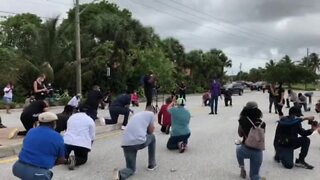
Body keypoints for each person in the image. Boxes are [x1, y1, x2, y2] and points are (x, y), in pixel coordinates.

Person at [12, 112, 72, 180]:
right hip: (38, 174)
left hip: (17, 168)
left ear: (39, 122)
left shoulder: (31, 131)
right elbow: (61, 160)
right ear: (54, 123)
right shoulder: (58, 137)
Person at [113, 105, 157, 180]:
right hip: (138, 141)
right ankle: (152, 164)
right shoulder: (151, 114)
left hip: (125, 143)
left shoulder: (136, 115)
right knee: (152, 137)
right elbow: (150, 131)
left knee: (131, 169)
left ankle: (120, 174)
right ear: (153, 111)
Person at [236, 101, 266, 180]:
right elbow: (261, 137)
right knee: (254, 176)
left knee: (238, 149)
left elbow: (240, 134)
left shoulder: (242, 120)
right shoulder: (262, 123)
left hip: (245, 149)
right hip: (258, 152)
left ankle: (242, 168)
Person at [63, 106, 95, 170]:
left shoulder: (71, 117)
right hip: (81, 143)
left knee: (63, 155)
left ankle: (65, 159)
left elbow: (67, 129)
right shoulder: (90, 120)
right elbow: (92, 136)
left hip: (67, 141)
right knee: (83, 158)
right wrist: (89, 147)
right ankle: (75, 160)